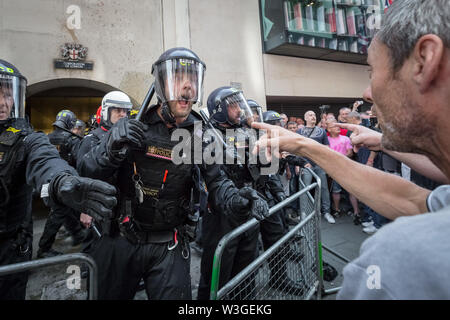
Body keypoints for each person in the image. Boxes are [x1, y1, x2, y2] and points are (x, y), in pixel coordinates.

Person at [252, 0, 450, 299]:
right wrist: (306, 146)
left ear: (424, 59)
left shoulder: (402, 258)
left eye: (370, 70)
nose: (367, 93)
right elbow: (412, 200)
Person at [77, 48, 268, 300]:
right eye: (178, 78)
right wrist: (110, 147)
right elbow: (86, 172)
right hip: (119, 240)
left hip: (170, 244)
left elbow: (217, 183)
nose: (187, 86)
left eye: (192, 79)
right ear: (161, 84)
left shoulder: (200, 134)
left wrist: (239, 200)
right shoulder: (131, 126)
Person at [0, 59, 117, 300]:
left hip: (15, 240)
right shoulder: (73, 139)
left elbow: (46, 161)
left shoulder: (28, 139)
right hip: (57, 194)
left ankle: (49, 247)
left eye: (8, 95)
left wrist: (62, 181)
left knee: (62, 222)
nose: (3, 103)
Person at [37, 110, 88, 258]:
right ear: (71, 123)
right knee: (58, 213)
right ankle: (43, 249)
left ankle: (77, 234)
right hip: (65, 183)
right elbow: (80, 162)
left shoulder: (47, 138)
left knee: (64, 210)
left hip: (47, 182)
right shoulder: (72, 140)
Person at [296, 111, 334, 224]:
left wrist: (325, 163)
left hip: (319, 164)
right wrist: (298, 164)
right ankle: (304, 213)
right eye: (310, 115)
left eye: (314, 115)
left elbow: (327, 148)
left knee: (324, 188)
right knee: (304, 189)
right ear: (305, 118)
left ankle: (326, 212)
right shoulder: (300, 131)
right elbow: (297, 148)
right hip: (305, 164)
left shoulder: (321, 131)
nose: (313, 116)